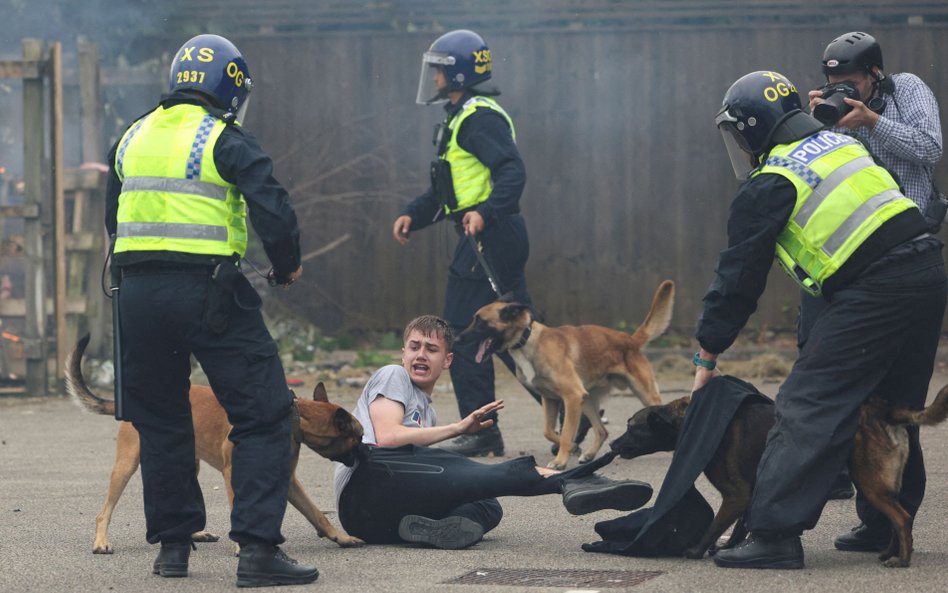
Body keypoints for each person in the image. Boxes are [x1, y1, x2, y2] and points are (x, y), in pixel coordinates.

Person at [691, 70, 945, 569]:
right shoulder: (838, 145)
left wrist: (708, 351)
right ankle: (883, 526)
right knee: (890, 406)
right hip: (927, 271)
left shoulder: (771, 181)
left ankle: (773, 536)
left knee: (807, 405)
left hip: (877, 286)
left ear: (749, 129)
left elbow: (738, 278)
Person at [105, 34, 317, 587]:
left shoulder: (130, 138)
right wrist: (287, 263)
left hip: (138, 298)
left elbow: (115, 220)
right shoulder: (224, 137)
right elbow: (272, 204)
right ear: (229, 87)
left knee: (161, 420)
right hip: (210, 292)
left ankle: (173, 550)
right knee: (267, 413)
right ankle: (258, 553)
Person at [332, 315, 653, 549]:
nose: (420, 354)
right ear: (402, 354)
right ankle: (575, 480)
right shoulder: (393, 376)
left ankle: (431, 533)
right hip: (366, 484)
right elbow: (387, 438)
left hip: (378, 524)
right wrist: (458, 428)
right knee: (465, 468)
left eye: (431, 349)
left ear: (447, 360)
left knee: (487, 504)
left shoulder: (426, 410)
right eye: (414, 347)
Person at [806, 31, 945, 528]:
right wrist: (816, 122)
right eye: (832, 84)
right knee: (856, 392)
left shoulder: (907, 90)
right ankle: (870, 510)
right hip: (859, 266)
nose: (843, 92)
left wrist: (873, 122)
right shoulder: (835, 115)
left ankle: (891, 518)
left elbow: (929, 149)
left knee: (900, 397)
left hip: (913, 254)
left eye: (850, 83)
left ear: (874, 74)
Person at [391, 29, 535, 458]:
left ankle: (482, 430)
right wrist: (412, 216)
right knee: (520, 335)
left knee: (465, 333)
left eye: (439, 70)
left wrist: (485, 212)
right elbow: (445, 194)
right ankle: (574, 411)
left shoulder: (478, 118)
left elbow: (513, 172)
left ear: (457, 75)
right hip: (489, 235)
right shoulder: (459, 117)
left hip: (489, 235)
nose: (433, 78)